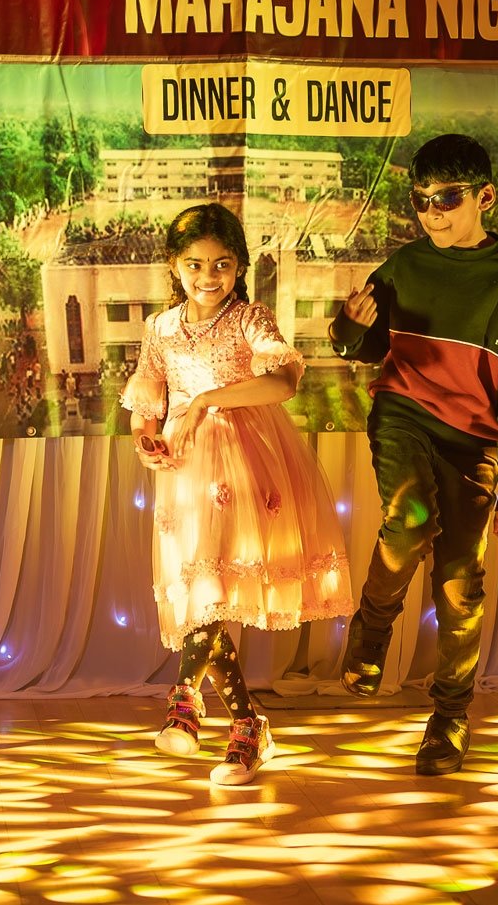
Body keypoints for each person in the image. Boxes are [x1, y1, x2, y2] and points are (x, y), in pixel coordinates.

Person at [328, 133, 498, 775]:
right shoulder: (404, 265)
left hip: (474, 441)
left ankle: (449, 718)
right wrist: (351, 327)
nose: (432, 213)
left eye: (447, 198)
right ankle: (373, 629)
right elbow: (361, 348)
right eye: (421, 200)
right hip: (405, 413)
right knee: (409, 522)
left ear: (486, 197)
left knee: (459, 585)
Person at [121, 203, 354, 785]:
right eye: (195, 265)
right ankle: (248, 726)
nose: (208, 277)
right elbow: (146, 403)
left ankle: (184, 700)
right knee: (205, 593)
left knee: (217, 590)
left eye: (221, 264)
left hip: (247, 465)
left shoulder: (250, 318)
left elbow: (284, 381)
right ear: (174, 265)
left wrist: (206, 400)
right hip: (186, 471)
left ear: (240, 267)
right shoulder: (160, 329)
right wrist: (147, 440)